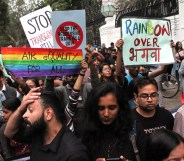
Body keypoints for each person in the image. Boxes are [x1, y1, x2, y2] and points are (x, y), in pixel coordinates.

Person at [4, 88, 89, 161]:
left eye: (30, 110)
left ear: (48, 114)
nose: (24, 115)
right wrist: (20, 108)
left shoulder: (73, 154)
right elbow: (9, 132)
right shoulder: (38, 133)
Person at [82, 82, 145, 161]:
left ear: (120, 107)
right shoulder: (87, 134)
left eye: (112, 108)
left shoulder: (134, 131)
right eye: (101, 108)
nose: (106, 114)